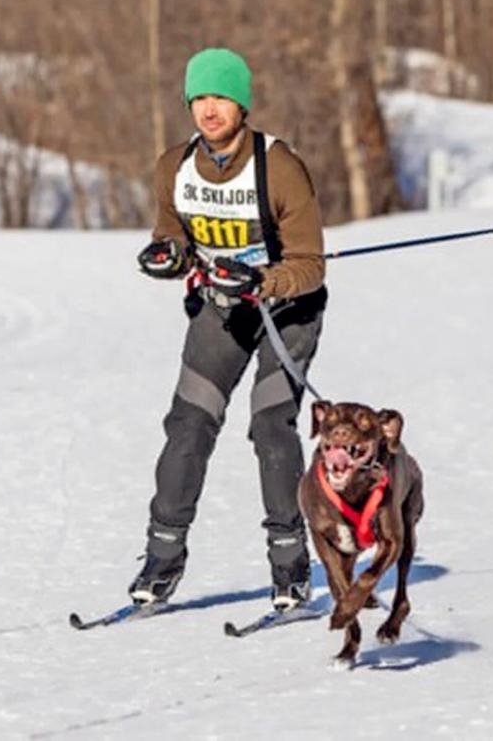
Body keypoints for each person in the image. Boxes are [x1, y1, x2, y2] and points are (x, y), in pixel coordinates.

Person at [130, 47, 327, 612]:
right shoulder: (175, 166)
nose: (209, 110)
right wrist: (166, 256)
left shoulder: (279, 167)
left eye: (221, 97)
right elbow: (172, 236)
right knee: (188, 426)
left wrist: (262, 279)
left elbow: (311, 266)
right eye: (199, 98)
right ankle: (161, 561)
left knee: (270, 428)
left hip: (287, 312)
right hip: (220, 310)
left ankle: (291, 568)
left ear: (242, 104)